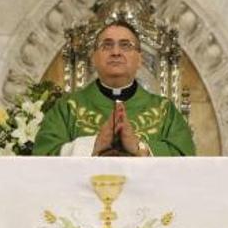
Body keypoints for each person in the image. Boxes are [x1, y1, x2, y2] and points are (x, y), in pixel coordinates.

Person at [32, 21, 195, 157]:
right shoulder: (67, 108)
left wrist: (140, 148)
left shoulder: (165, 111)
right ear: (94, 58)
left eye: (125, 46)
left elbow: (186, 159)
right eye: (107, 45)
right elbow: (43, 156)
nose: (116, 52)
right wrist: (93, 145)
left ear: (140, 59)